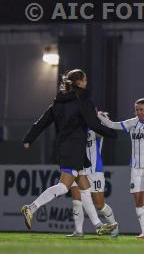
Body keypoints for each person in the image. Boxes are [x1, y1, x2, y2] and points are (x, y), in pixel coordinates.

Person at [21, 69, 118, 235]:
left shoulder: (58, 102)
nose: (86, 82)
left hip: (66, 147)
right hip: (74, 148)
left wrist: (29, 139)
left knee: (85, 188)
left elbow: (42, 122)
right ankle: (31, 207)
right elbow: (94, 124)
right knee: (64, 186)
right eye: (85, 79)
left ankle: (97, 225)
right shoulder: (83, 99)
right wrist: (112, 133)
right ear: (80, 81)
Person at [97, 96, 144, 238]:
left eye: (141, 109)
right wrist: (98, 115)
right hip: (135, 168)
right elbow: (112, 125)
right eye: (137, 110)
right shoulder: (132, 123)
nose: (139, 112)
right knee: (138, 199)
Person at [67, 126, 119, 238]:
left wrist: (99, 120)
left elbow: (103, 131)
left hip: (95, 171)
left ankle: (113, 226)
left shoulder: (95, 126)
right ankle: (78, 231)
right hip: (78, 168)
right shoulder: (76, 126)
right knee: (76, 201)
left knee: (100, 205)